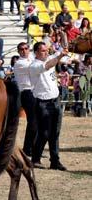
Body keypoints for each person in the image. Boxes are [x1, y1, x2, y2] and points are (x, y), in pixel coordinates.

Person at [29, 42, 69, 170]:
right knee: (44, 133)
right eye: (42, 51)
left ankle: (55, 161)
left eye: (47, 50)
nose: (46, 52)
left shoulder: (49, 59)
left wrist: (63, 39)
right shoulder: (34, 65)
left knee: (55, 133)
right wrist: (59, 57)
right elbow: (48, 65)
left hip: (55, 100)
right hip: (42, 103)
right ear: (36, 52)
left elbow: (62, 50)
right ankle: (35, 159)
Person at [13, 42, 37, 156]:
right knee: (32, 121)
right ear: (18, 51)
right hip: (26, 92)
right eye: (21, 49)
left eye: (26, 48)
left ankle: (33, 147)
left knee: (36, 122)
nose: (24, 51)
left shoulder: (32, 59)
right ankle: (28, 148)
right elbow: (35, 68)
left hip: (35, 91)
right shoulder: (19, 63)